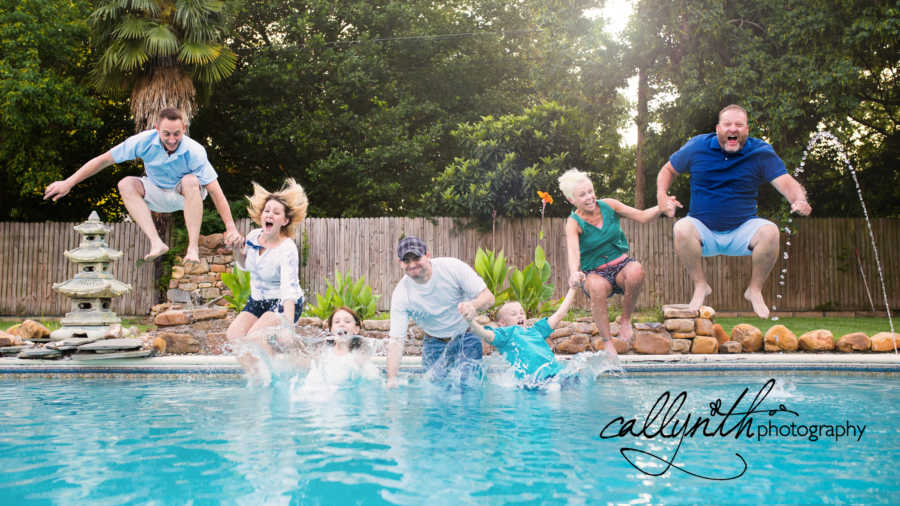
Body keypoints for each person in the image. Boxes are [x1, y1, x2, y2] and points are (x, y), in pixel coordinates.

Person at [656, 104, 812, 318]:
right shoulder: (697, 147)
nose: (733, 129)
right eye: (727, 124)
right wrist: (662, 195)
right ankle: (701, 285)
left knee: (771, 231)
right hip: (703, 231)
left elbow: (785, 182)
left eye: (739, 125)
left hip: (742, 230)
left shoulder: (760, 152)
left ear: (747, 130)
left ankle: (754, 289)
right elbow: (668, 169)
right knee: (681, 228)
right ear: (718, 128)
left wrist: (799, 199)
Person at [43, 107, 242, 263]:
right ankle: (156, 243)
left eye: (177, 134)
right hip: (154, 192)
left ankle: (193, 248)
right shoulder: (142, 141)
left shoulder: (195, 151)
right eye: (166, 134)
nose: (172, 140)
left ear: (184, 129)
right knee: (126, 183)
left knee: (191, 180)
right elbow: (103, 160)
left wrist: (230, 227)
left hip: (185, 195)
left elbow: (215, 190)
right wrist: (68, 182)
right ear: (157, 129)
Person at [560, 168, 674, 359]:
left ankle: (625, 319)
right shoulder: (573, 222)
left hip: (621, 267)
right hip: (596, 273)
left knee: (636, 270)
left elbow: (642, 216)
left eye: (590, 191)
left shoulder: (609, 205)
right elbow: (573, 251)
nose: (589, 197)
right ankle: (607, 341)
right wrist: (574, 272)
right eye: (582, 195)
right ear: (572, 200)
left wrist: (661, 207)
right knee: (595, 286)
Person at [385, 236, 495, 387]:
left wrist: (474, 305)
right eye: (406, 260)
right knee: (435, 394)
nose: (412, 264)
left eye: (416, 258)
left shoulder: (452, 268)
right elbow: (396, 341)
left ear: (428, 256)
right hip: (433, 343)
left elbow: (489, 298)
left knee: (469, 388)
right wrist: (391, 379)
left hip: (466, 338)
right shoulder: (401, 294)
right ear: (400, 264)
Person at [226, 178, 307, 351]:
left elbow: (288, 289)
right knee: (234, 337)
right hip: (258, 300)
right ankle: (255, 376)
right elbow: (245, 266)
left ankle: (273, 376)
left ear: (284, 221)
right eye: (267, 210)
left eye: (276, 213)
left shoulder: (287, 248)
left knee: (255, 338)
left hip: (283, 302)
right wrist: (237, 251)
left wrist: (288, 327)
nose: (270, 214)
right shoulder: (253, 236)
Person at [464, 283, 579, 387]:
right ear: (502, 324)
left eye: (522, 313)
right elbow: (486, 335)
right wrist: (471, 321)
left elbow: (559, 314)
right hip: (537, 382)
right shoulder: (506, 334)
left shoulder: (535, 330)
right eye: (513, 314)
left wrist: (573, 288)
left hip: (558, 374)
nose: (520, 316)